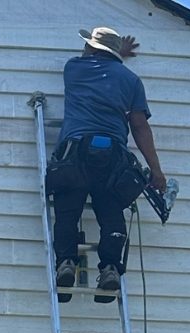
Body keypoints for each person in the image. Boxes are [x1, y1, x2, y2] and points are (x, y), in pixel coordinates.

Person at [48, 26, 167, 303]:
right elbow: (139, 126)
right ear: (114, 54)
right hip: (112, 155)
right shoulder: (131, 80)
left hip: (75, 153)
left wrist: (112, 52)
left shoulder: (73, 69)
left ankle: (66, 262)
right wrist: (156, 171)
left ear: (90, 48)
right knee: (111, 210)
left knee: (67, 210)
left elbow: (95, 63)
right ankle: (110, 267)